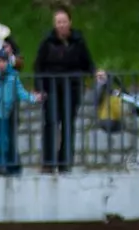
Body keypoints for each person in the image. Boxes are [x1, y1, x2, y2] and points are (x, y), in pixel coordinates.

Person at [33, 6, 107, 173]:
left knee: (68, 123)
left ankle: (65, 161)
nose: (61, 25)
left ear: (70, 22)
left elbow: (87, 61)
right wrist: (38, 88)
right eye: (58, 22)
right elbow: (38, 66)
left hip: (72, 87)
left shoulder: (78, 40)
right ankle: (49, 161)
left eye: (64, 21)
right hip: (51, 87)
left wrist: (95, 72)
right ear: (54, 24)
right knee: (51, 123)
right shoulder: (47, 41)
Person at [0, 48, 42, 175]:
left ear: (8, 62)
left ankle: (3, 165)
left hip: (4, 115)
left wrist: (33, 98)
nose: (1, 64)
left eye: (3, 61)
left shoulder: (13, 76)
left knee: (4, 143)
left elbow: (21, 92)